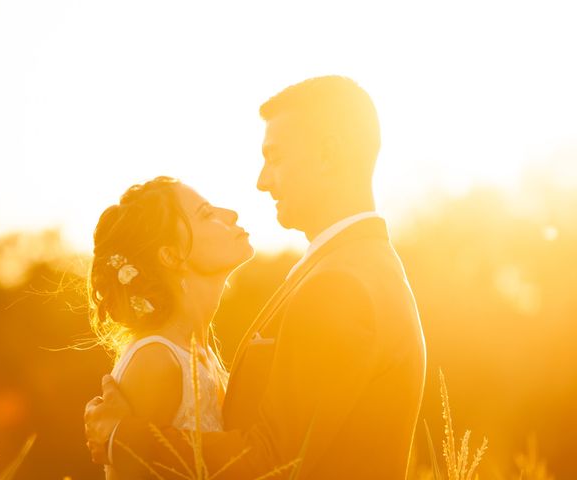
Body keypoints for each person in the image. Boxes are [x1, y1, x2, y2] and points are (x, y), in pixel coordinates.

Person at [85, 75, 427, 479]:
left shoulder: (340, 285)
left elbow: (274, 461)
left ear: (328, 155)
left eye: (276, 157)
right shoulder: (356, 266)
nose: (262, 181)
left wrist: (126, 437)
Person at [86, 176, 254, 479]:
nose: (230, 214)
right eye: (207, 214)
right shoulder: (155, 360)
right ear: (171, 255)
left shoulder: (203, 355)